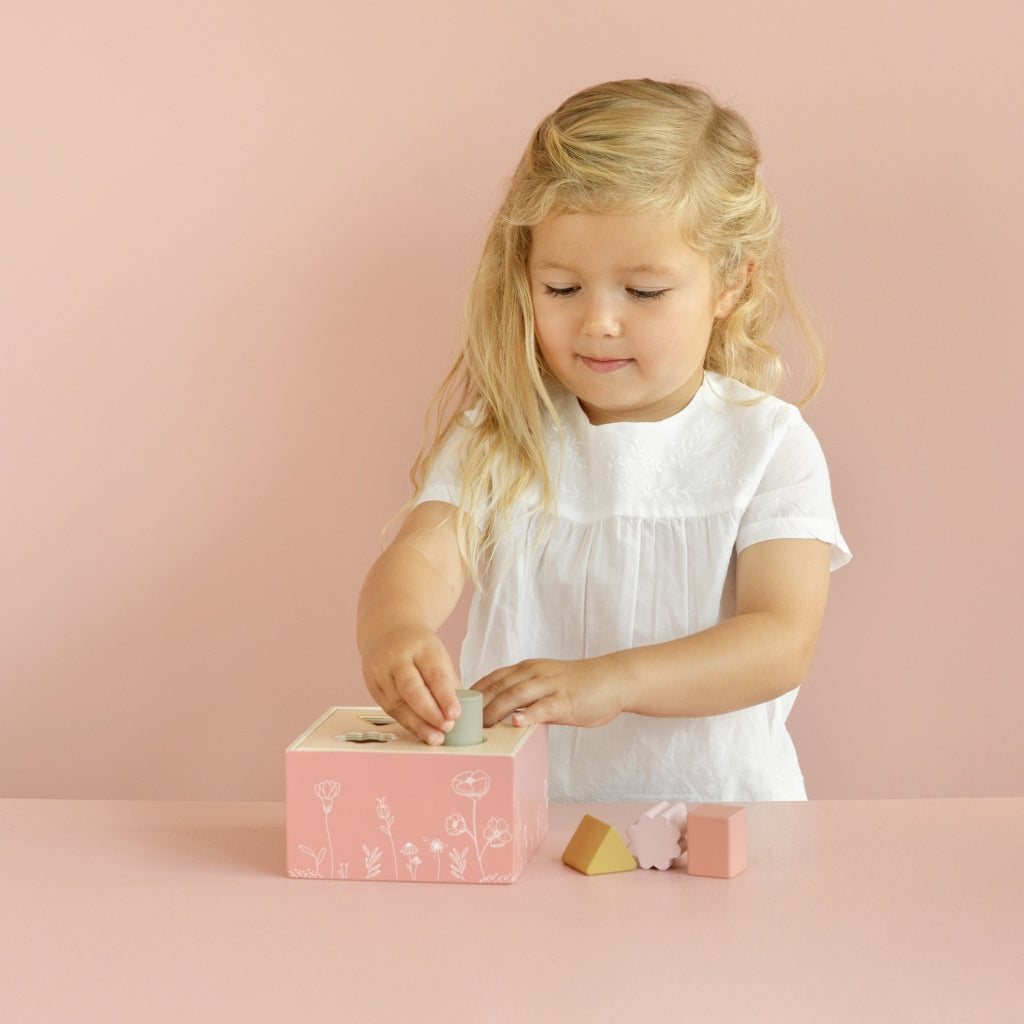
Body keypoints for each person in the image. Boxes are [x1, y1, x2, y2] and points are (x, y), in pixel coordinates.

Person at [357, 79, 850, 802]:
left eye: (644, 293)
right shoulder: (508, 434)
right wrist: (393, 634)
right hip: (529, 824)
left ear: (730, 285)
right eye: (561, 288)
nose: (598, 323)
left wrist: (609, 682)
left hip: (721, 822)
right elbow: (423, 553)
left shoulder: (767, 445)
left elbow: (780, 640)